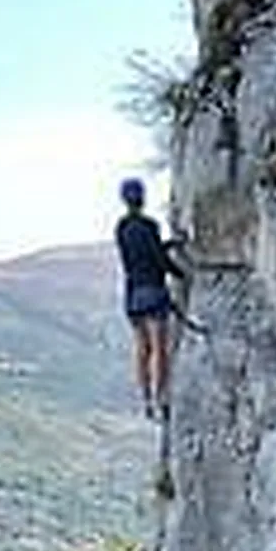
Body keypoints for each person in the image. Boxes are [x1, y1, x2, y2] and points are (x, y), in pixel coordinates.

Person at [114, 178, 187, 420]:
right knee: (160, 349)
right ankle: (162, 397)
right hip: (154, 291)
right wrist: (180, 273)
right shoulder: (150, 225)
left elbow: (139, 254)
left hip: (133, 294)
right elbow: (156, 258)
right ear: (142, 198)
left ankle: (146, 399)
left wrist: (165, 246)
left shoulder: (121, 228)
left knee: (142, 350)